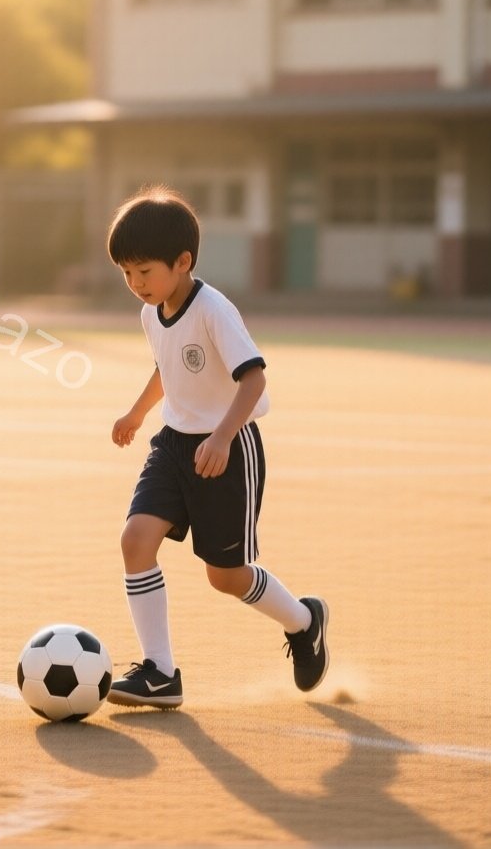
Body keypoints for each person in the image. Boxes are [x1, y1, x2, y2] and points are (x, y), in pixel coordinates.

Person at [104, 187, 327, 708]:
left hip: (228, 449)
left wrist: (224, 437)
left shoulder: (213, 310)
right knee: (136, 541)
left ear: (183, 262)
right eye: (127, 274)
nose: (136, 284)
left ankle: (304, 621)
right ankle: (160, 672)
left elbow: (254, 381)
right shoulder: (151, 312)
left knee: (224, 576)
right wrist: (137, 412)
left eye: (145, 272)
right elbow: (168, 365)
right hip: (173, 447)